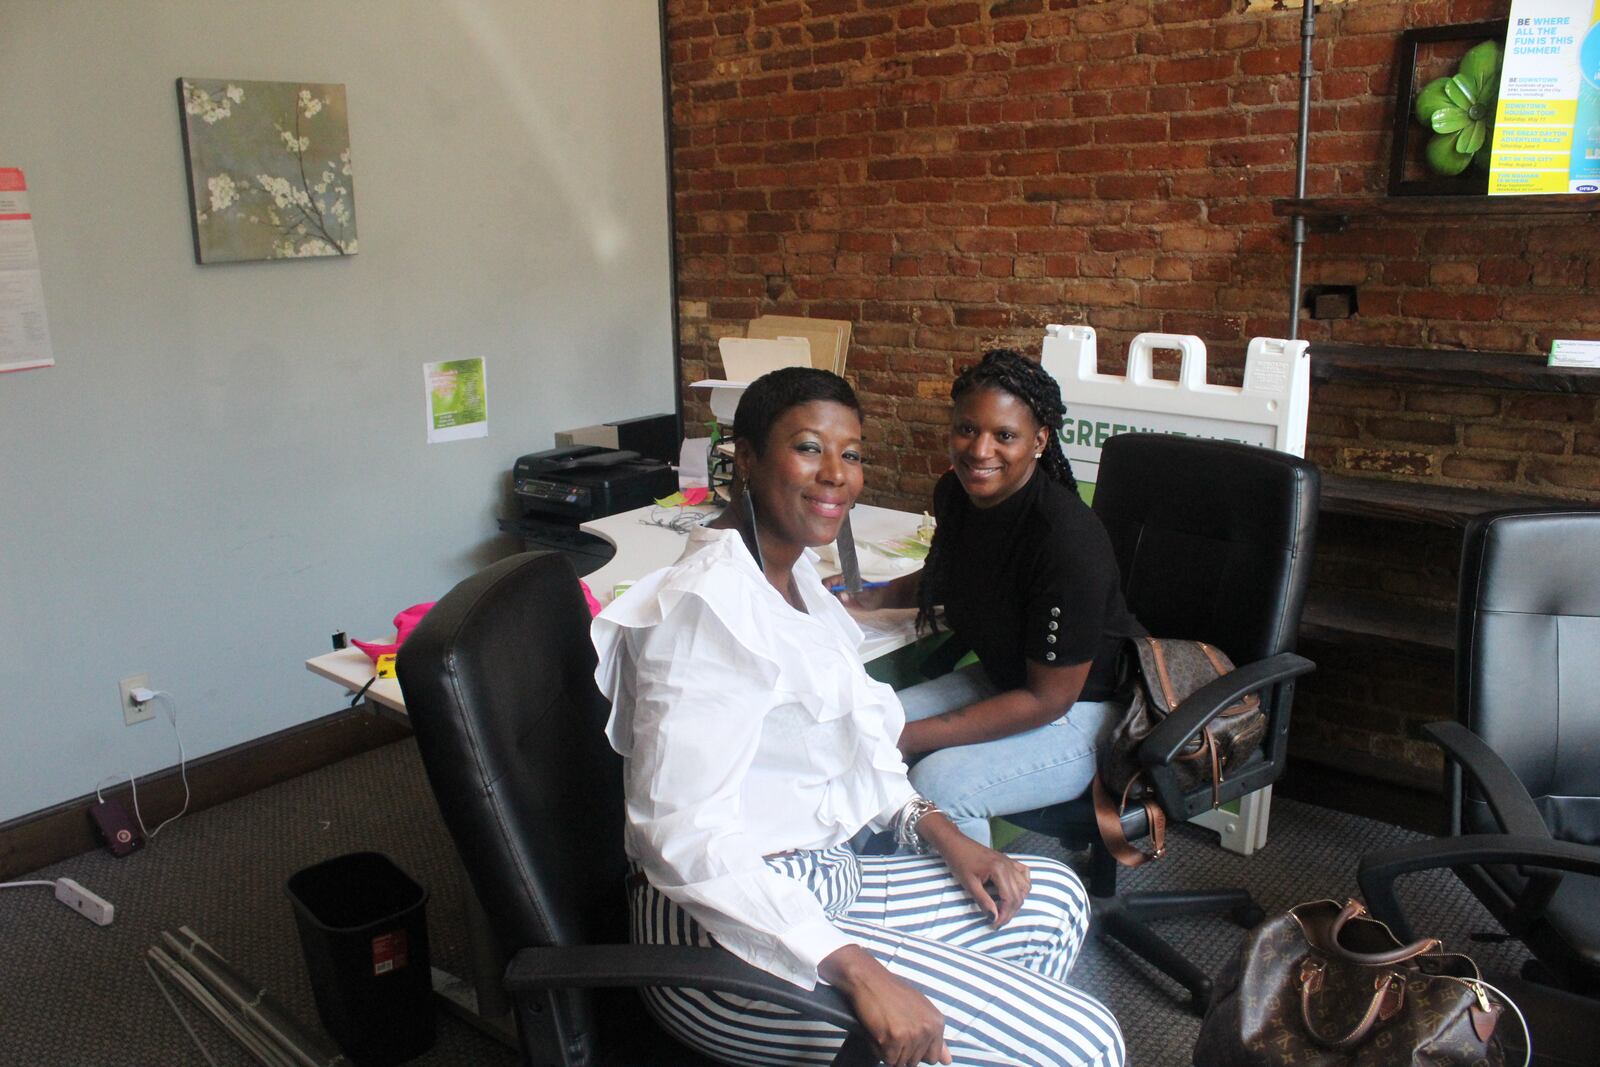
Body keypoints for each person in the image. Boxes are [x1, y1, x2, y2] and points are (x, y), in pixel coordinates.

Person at [592, 366, 1124, 1067]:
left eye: (852, 453)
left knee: (1052, 895)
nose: (836, 474)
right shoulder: (706, 613)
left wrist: (940, 831)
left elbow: (862, 743)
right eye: (809, 447)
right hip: (727, 946)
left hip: (819, 879)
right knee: (1088, 1041)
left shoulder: (793, 574)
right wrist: (857, 967)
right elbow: (681, 838)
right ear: (745, 457)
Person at [839, 349, 1145, 848]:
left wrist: (911, 738)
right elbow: (949, 572)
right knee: (863, 725)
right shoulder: (957, 494)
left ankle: (981, 918)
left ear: (1039, 441)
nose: (980, 451)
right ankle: (868, 888)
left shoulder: (1065, 541)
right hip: (1010, 678)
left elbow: (1049, 699)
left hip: (1088, 710)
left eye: (1004, 435)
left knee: (940, 783)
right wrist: (870, 598)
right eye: (967, 429)